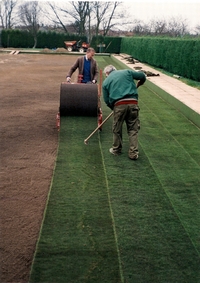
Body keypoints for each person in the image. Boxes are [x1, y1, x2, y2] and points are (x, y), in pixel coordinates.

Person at [102, 65, 146, 160]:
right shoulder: (127, 72)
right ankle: (133, 153)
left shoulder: (106, 82)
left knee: (117, 129)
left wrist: (113, 108)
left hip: (119, 105)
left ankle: (116, 150)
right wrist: (141, 82)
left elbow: (106, 100)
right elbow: (142, 76)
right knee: (133, 129)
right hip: (133, 103)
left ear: (107, 74)